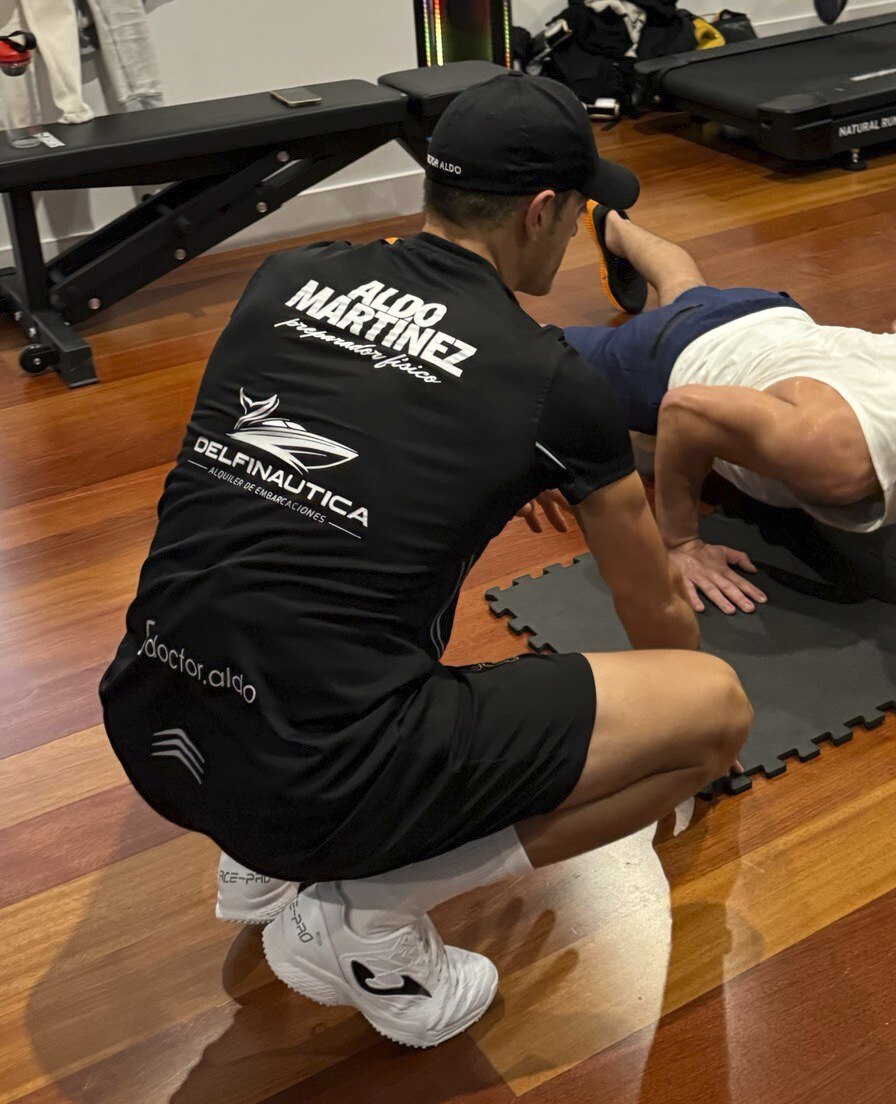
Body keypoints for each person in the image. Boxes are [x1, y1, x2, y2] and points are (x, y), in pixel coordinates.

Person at [99, 72, 751, 1049]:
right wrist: (687, 749)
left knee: (324, 544)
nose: (574, 233)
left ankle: (257, 861)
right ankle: (365, 913)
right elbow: (654, 612)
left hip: (148, 713)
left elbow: (348, 438)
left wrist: (499, 465)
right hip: (311, 778)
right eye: (576, 213)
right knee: (711, 712)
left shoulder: (286, 276)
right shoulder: (545, 380)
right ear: (540, 210)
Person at [572, 204, 896, 615]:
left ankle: (613, 222)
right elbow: (685, 410)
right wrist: (680, 543)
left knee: (688, 287)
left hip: (773, 314)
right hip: (672, 353)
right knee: (531, 357)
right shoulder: (836, 457)